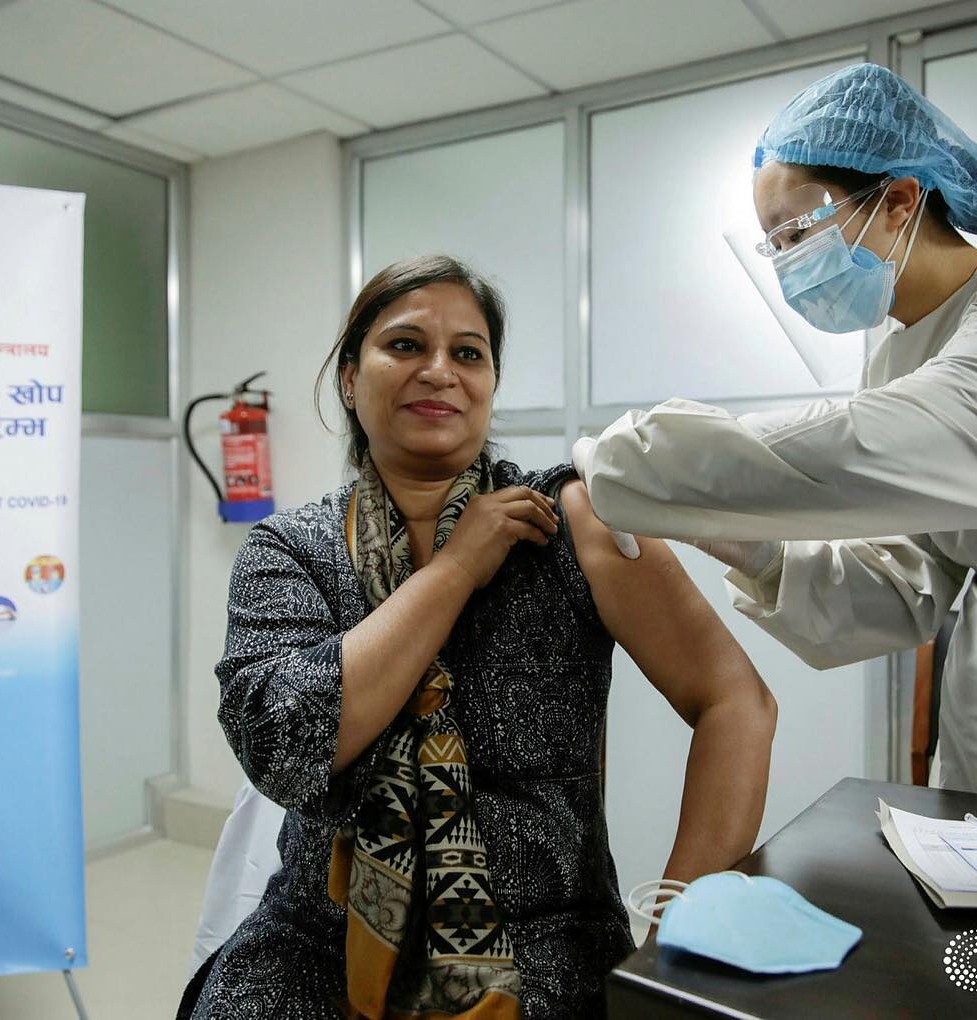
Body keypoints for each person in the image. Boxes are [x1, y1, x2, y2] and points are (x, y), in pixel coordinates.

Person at [179, 255, 776, 1019]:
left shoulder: (573, 522)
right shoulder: (290, 549)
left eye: (468, 353)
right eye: (405, 345)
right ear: (350, 380)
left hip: (545, 940)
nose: (440, 371)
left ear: (491, 384)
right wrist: (457, 569)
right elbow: (288, 748)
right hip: (324, 938)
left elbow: (736, 702)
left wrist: (676, 934)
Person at [573, 63, 977, 792]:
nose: (789, 264)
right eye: (775, 245)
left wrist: (640, 462)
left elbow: (855, 446)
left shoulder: (953, 365)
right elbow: (908, 586)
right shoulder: (897, 358)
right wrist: (750, 548)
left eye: (797, 232)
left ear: (898, 200)